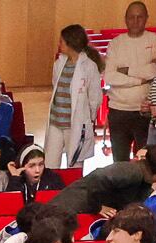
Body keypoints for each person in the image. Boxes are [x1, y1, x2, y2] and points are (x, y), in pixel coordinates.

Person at [103, 3, 156, 162]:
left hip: (145, 112)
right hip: (118, 111)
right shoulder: (115, 44)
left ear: (146, 19)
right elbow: (109, 76)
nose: (135, 21)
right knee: (120, 163)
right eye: (131, 17)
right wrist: (140, 79)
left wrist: (126, 70)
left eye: (140, 17)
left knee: (146, 163)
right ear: (125, 19)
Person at [44, 25, 104, 170]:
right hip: (56, 122)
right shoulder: (59, 64)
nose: (59, 44)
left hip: (76, 124)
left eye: (62, 41)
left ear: (71, 43)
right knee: (50, 165)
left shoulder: (89, 66)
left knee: (74, 165)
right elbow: (56, 87)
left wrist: (87, 119)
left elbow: (95, 97)